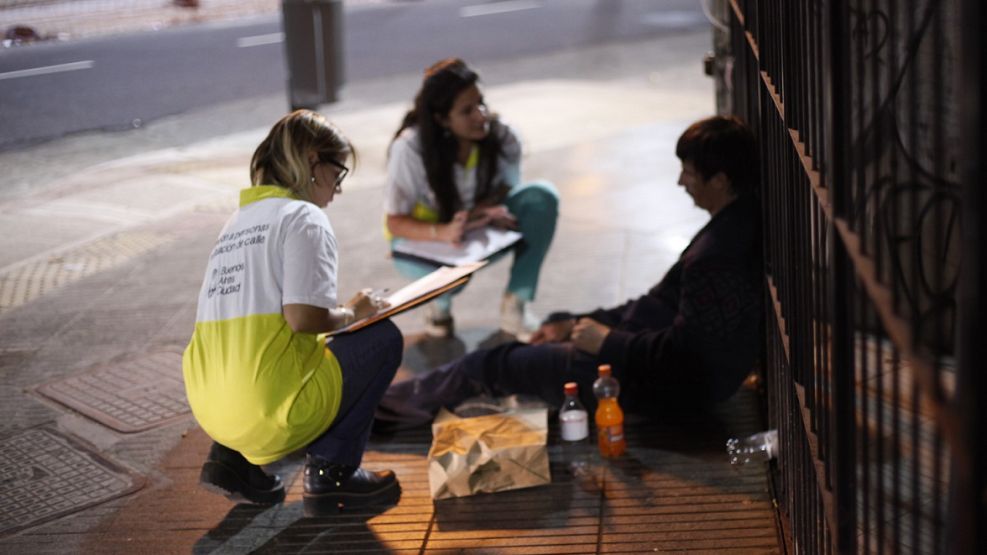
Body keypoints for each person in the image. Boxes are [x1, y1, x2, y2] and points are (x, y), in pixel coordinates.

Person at [375, 115, 762, 427]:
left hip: (643, 380)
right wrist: (578, 323)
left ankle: (371, 409)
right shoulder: (732, 226)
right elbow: (660, 309)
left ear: (720, 180)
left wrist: (605, 341)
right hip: (635, 351)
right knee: (538, 339)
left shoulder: (717, 256)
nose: (680, 182)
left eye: (690, 173)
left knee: (489, 364)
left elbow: (686, 357)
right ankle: (387, 404)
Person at [182, 110, 403, 516]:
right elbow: (303, 318)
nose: (337, 189)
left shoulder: (239, 221)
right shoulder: (304, 217)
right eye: (338, 173)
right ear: (313, 162)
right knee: (381, 339)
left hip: (213, 412)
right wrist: (354, 311)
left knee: (277, 351)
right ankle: (331, 475)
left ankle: (237, 462)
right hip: (267, 413)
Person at [384, 58, 559, 340]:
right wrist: (444, 232)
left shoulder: (502, 134)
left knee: (541, 197)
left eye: (481, 102)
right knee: (452, 281)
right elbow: (395, 222)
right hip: (426, 241)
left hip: (476, 229)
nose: (481, 115)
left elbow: (508, 185)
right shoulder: (410, 149)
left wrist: (484, 211)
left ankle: (516, 306)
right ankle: (439, 305)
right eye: (467, 111)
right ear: (441, 119)